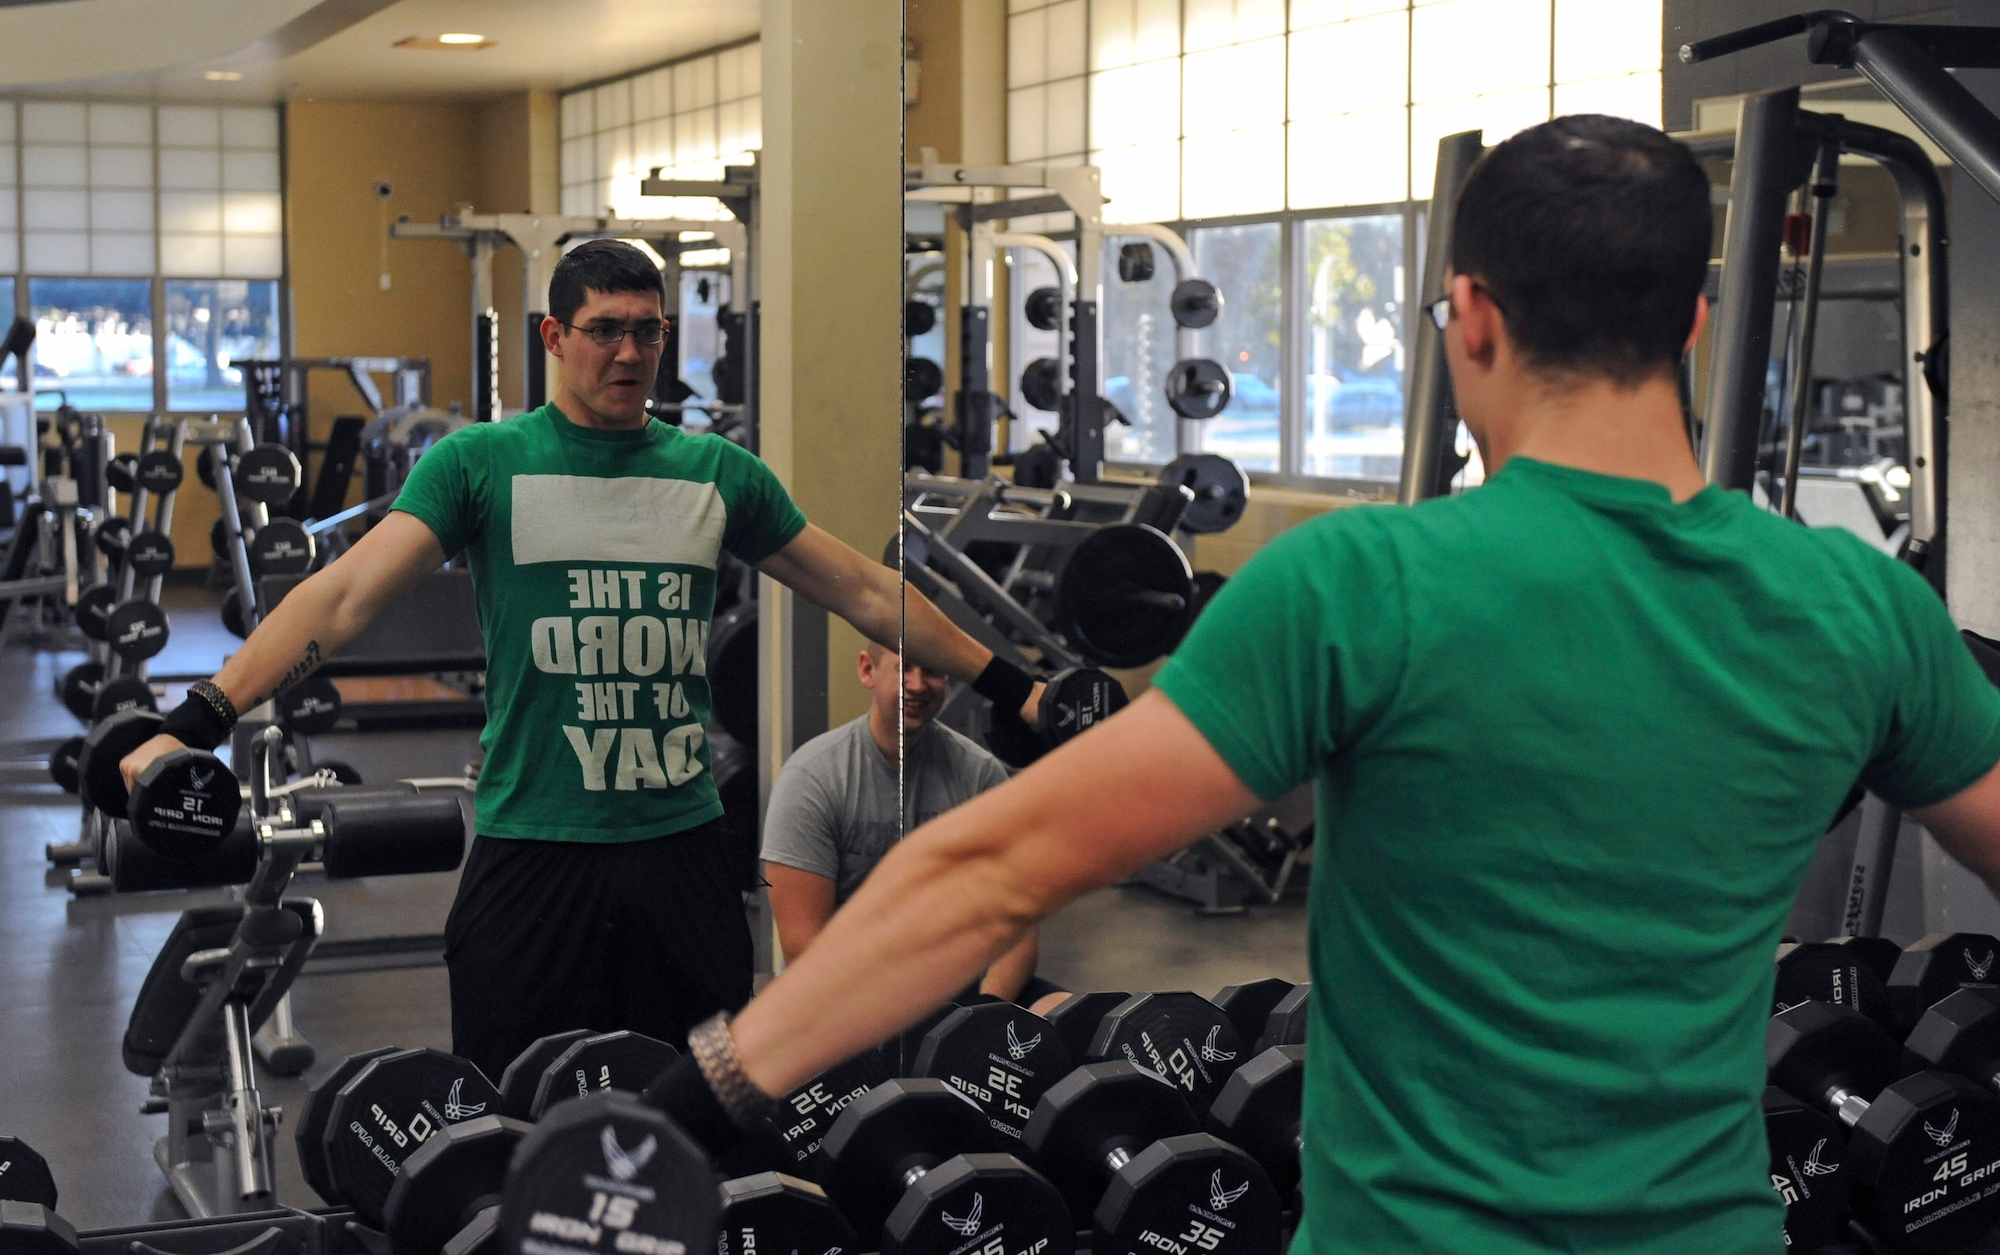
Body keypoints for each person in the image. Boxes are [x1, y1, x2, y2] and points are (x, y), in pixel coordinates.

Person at [644, 116, 2000, 1253]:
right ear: (1694, 321)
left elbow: (988, 869)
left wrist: (696, 1099)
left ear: (1471, 316)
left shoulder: (1366, 586)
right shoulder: (1857, 604)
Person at [119, 238, 1045, 1082]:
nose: (630, 355)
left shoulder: (716, 473)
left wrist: (1016, 688)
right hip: (535, 846)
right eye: (605, 331)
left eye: (648, 332)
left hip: (680, 850)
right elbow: (345, 595)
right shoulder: (482, 462)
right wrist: (195, 717)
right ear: (555, 336)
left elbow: (870, 593)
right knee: (514, 1109)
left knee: (704, 1109)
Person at [761, 642, 1067, 1012]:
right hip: (841, 996)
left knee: (1064, 1015)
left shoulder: (980, 776)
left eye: (933, 670)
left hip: (957, 987)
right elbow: (803, 947)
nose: (918, 684)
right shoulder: (813, 779)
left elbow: (1016, 928)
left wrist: (983, 1020)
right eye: (904, 668)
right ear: (867, 671)